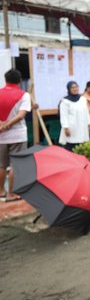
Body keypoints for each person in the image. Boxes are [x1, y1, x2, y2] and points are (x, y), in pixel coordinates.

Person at [0, 69, 31, 202]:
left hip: (1, 135)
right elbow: (21, 115)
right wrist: (8, 125)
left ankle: (1, 191)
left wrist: (2, 126)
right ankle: (11, 194)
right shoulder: (24, 95)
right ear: (19, 81)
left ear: (5, 79)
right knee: (15, 165)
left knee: (1, 165)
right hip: (18, 135)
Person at [58, 81, 90, 151]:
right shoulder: (65, 101)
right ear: (69, 89)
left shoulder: (83, 99)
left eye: (76, 87)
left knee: (82, 146)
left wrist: (89, 124)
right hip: (72, 128)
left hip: (82, 127)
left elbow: (86, 112)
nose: (75, 89)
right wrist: (66, 128)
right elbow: (64, 115)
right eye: (72, 87)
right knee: (71, 147)